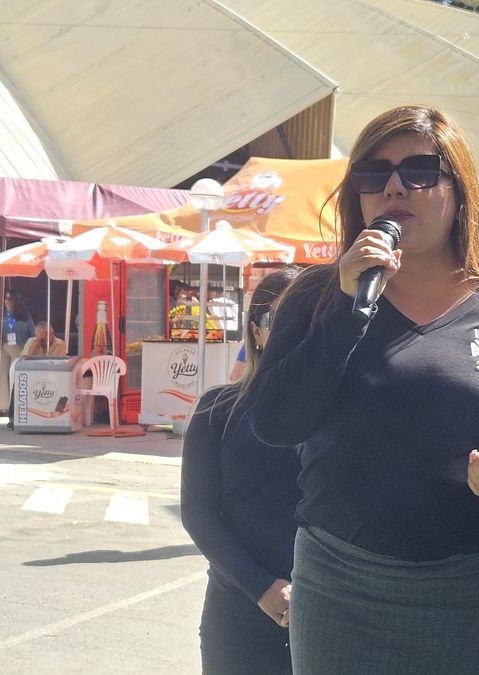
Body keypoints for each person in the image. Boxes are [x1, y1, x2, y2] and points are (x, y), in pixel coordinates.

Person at [247, 105, 479, 674]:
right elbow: (274, 424)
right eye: (374, 175)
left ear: (460, 189)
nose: (395, 185)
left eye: (420, 170)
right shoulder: (316, 297)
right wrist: (348, 311)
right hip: (341, 588)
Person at [181, 266, 301, 674]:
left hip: (328, 609)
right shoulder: (217, 410)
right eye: (280, 319)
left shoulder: (341, 416)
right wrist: (260, 587)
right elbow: (197, 513)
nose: (293, 330)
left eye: (306, 318)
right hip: (238, 612)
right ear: (256, 330)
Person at [6, 321, 68, 429]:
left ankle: (59, 415)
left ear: (52, 334)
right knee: (18, 386)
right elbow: (26, 357)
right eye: (41, 335)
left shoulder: (60, 344)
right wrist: (37, 341)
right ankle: (13, 418)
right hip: (33, 373)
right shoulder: (31, 342)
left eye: (47, 335)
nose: (45, 339)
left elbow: (61, 361)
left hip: (52, 374)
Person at [0, 290, 35, 412]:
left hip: (18, 346)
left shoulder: (25, 315)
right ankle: (2, 406)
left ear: (16, 301)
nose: (6, 301)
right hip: (3, 345)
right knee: (1, 375)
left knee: (14, 374)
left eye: (9, 299)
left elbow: (32, 332)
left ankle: (16, 404)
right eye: (5, 298)